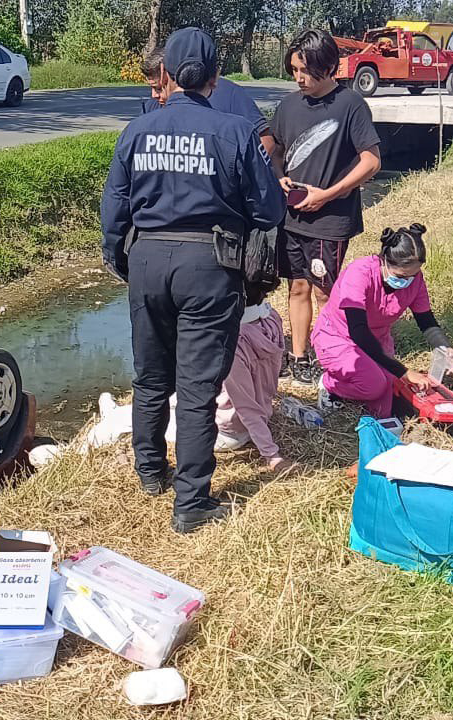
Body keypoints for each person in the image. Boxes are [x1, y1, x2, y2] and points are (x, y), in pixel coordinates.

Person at [101, 27, 285, 534]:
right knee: (199, 387)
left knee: (151, 375)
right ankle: (192, 502)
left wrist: (120, 260)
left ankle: (149, 471)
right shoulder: (235, 131)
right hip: (209, 265)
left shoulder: (136, 131)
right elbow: (269, 208)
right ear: (214, 76)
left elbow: (114, 207)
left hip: (147, 261)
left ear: (166, 76)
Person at [270, 29, 383, 387]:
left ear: (329, 67)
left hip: (331, 221)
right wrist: (278, 177)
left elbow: (371, 161)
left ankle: (328, 354)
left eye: (305, 71)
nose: (299, 78)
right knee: (296, 288)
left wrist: (330, 194)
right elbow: (272, 148)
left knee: (323, 291)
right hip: (292, 217)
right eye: (294, 70)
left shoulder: (350, 105)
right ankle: (299, 357)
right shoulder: (288, 106)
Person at [310, 224, 453, 418]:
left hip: (376, 341)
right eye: (402, 276)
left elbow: (426, 320)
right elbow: (358, 331)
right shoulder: (360, 273)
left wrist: (445, 348)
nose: (408, 281)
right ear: (384, 261)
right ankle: (330, 384)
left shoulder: (415, 280)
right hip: (339, 337)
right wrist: (403, 370)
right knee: (375, 386)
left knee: (388, 396)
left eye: (413, 275)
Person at [212, 281, 295, 473]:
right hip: (262, 415)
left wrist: (272, 456)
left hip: (230, 432)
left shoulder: (230, 340)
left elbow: (246, 407)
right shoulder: (272, 320)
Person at [139, 47, 275, 156]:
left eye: (158, 88)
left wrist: (240, 178)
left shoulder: (229, 94)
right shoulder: (151, 108)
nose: (154, 95)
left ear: (169, 75)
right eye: (151, 88)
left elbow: (266, 141)